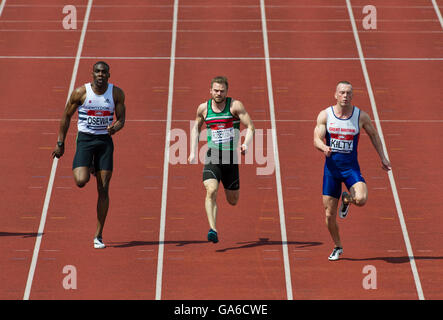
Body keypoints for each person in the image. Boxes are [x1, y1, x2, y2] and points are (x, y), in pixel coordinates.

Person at [313, 81, 391, 261]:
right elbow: (315, 138)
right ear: (336, 95)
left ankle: (347, 199)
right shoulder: (326, 115)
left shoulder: (360, 116)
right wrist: (323, 147)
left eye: (348, 93)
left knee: (362, 199)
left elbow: (373, 134)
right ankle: (338, 246)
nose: (345, 96)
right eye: (342, 93)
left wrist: (383, 157)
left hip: (350, 170)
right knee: (329, 215)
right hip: (331, 172)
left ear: (352, 96)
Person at [52, 61, 126, 249]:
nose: (101, 75)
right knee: (80, 181)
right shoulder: (81, 93)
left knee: (103, 189)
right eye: (97, 72)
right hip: (85, 140)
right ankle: (90, 166)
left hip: (104, 142)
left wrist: (115, 128)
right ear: (92, 74)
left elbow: (122, 119)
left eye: (104, 72)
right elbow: (66, 116)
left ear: (109, 75)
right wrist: (60, 143)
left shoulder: (116, 93)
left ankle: (98, 235)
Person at [188, 76, 255, 243]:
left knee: (233, 201)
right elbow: (196, 127)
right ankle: (213, 229)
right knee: (211, 190)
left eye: (222, 91)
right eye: (216, 90)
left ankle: (216, 221)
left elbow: (251, 127)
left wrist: (246, 144)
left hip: (231, 158)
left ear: (227, 91)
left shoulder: (235, 106)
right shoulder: (203, 109)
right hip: (213, 155)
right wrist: (192, 151)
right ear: (210, 90)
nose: (218, 93)